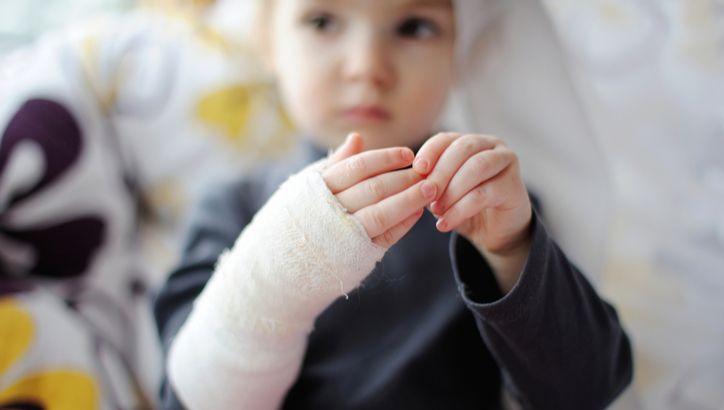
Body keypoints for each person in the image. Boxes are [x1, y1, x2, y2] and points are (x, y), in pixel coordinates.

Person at [153, 0, 633, 409]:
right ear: (268, 41)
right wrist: (277, 270)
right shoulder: (232, 209)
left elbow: (590, 390)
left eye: (414, 27)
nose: (368, 67)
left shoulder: (491, 210)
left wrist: (510, 249)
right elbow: (188, 396)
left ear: (460, 53)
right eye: (323, 21)